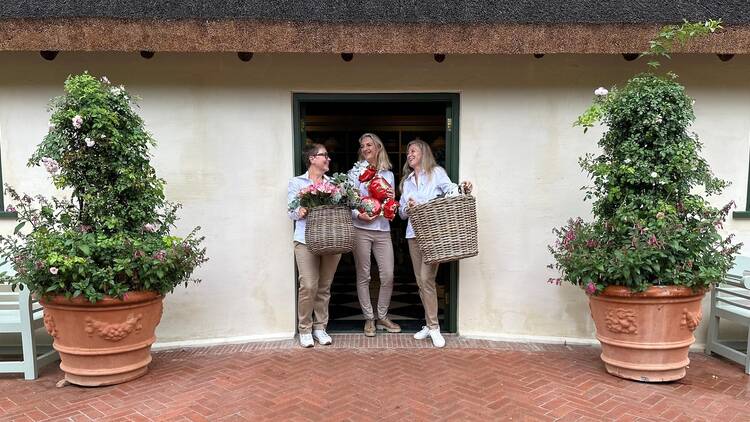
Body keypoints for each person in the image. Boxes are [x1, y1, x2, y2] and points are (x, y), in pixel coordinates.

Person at [399, 139, 473, 348]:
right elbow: (401, 213)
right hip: (413, 234)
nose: (409, 154)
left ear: (423, 152)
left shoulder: (436, 172)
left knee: (426, 278)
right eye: (407, 151)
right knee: (421, 282)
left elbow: (451, 191)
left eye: (413, 150)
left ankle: (434, 327)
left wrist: (463, 187)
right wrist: (408, 206)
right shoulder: (406, 181)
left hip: (433, 235)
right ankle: (428, 324)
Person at [287, 143, 341, 348]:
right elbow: (290, 211)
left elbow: (341, 208)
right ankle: (305, 328)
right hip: (304, 239)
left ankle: (320, 327)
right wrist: (301, 210)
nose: (328, 159)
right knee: (309, 285)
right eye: (324, 155)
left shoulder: (334, 183)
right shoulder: (296, 183)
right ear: (312, 159)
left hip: (330, 239)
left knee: (324, 287)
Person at [347, 133, 401, 337]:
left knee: (388, 275)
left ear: (378, 147)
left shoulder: (388, 174)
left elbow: (391, 202)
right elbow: (350, 200)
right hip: (360, 229)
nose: (365, 148)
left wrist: (389, 203)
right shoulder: (355, 172)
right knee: (364, 275)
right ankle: (369, 319)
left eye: (369, 144)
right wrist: (358, 214)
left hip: (382, 231)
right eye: (362, 146)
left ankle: (383, 315)